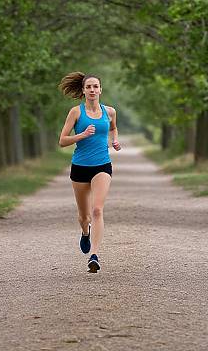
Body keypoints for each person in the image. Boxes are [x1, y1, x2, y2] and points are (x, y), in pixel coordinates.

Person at [58, 71, 121, 273]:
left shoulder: (110, 111)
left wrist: (115, 140)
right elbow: (62, 141)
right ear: (84, 91)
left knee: (97, 210)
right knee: (84, 216)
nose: (92, 90)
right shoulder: (76, 112)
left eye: (96, 86)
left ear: (101, 89)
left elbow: (113, 128)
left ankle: (94, 255)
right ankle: (85, 232)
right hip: (80, 167)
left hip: (102, 165)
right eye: (89, 87)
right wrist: (82, 135)